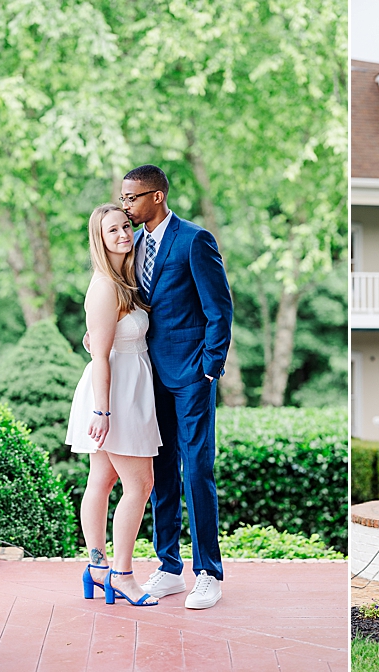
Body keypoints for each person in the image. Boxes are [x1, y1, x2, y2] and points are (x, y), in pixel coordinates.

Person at [121, 165, 233, 610]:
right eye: (124, 198)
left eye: (132, 198)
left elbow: (219, 308)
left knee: (197, 470)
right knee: (159, 473)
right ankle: (169, 567)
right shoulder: (132, 245)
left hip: (190, 376)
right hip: (146, 378)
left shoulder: (194, 240)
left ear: (158, 197)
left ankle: (209, 573)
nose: (126, 205)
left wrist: (210, 367)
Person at [67, 203, 161, 607]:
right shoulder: (104, 287)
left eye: (126, 226)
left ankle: (96, 568)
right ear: (99, 240)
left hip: (130, 387)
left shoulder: (126, 281)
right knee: (140, 484)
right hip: (114, 394)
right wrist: (103, 412)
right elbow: (100, 357)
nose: (124, 234)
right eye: (113, 231)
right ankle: (121, 574)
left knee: (103, 480)